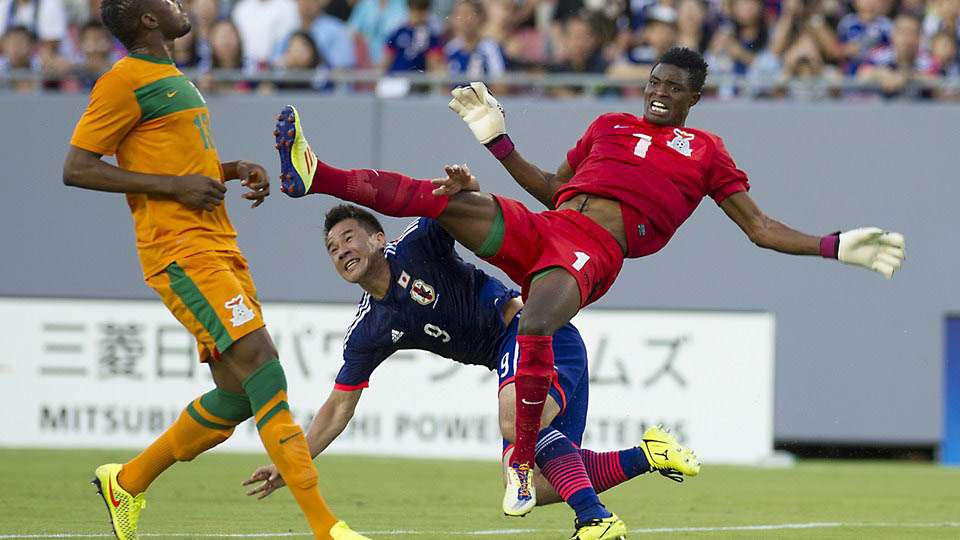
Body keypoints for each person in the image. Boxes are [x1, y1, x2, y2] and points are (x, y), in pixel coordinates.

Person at [270, 47, 906, 516]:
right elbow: (553, 188)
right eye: (654, 81)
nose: (659, 92)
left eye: (674, 87)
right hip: (547, 228)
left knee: (536, 319)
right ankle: (315, 174)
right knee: (441, 201)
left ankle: (520, 462)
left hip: (592, 252)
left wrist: (834, 246)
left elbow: (760, 228)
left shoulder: (706, 151)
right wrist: (498, 141)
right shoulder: (609, 126)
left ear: (693, 98)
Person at [61, 0, 366, 538]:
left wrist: (233, 168)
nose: (179, 5)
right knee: (264, 365)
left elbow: (179, 164)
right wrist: (174, 187)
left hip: (218, 243)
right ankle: (326, 527)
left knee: (236, 394)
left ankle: (127, 481)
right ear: (148, 20)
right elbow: (77, 167)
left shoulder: (171, 76)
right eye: (167, 1)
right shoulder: (122, 81)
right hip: (179, 250)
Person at [240, 202, 701, 540]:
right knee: (537, 485)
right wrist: (293, 462)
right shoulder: (369, 329)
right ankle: (648, 455)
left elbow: (453, 208)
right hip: (516, 356)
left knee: (517, 423)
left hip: (535, 332)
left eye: (348, 238)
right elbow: (338, 408)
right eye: (332, 249)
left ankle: (594, 518)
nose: (341, 250)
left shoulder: (418, 244)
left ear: (378, 239)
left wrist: (464, 185)